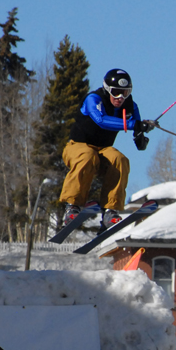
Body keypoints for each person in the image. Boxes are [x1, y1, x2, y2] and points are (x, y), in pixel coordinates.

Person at [60, 69, 156, 230]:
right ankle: (73, 206)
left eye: (125, 93)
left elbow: (138, 134)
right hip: (77, 146)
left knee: (120, 159)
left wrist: (142, 135)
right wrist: (134, 125)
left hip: (103, 149)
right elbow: (101, 120)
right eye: (116, 92)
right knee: (87, 156)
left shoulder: (131, 106)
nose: (120, 98)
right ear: (107, 89)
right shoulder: (94, 99)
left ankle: (110, 210)